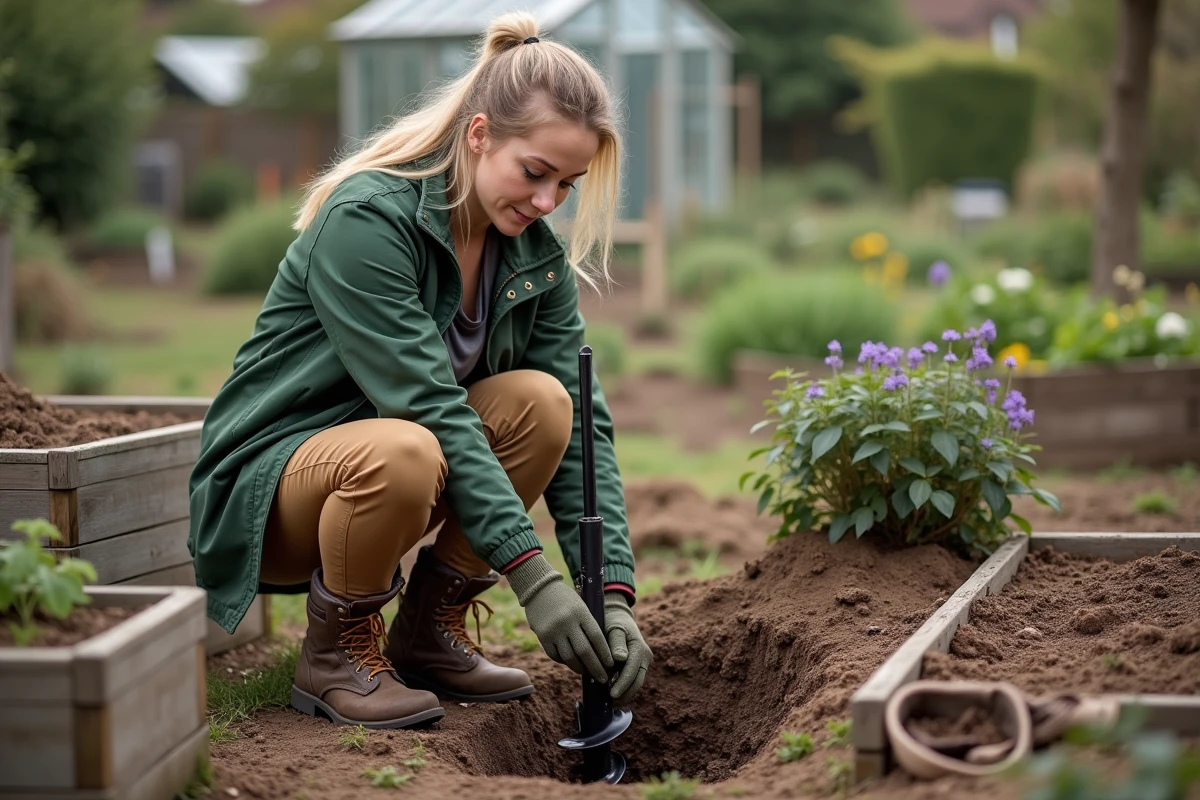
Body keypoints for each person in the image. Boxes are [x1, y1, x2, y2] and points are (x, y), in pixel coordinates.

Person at [187, 12, 651, 730]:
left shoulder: (533, 259)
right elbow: (429, 404)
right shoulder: (369, 222)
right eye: (534, 173)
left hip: (402, 475)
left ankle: (430, 630)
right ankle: (334, 656)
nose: (546, 203)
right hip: (274, 491)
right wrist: (533, 577)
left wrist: (609, 591)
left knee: (546, 403)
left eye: (567, 184)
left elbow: (584, 432)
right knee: (408, 444)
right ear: (478, 136)